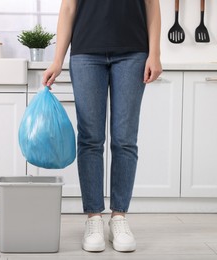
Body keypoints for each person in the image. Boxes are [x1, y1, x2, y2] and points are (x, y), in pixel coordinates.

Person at [42, 0, 162, 253]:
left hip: (133, 53)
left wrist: (155, 54)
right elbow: (68, 8)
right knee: (90, 139)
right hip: (86, 53)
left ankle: (119, 217)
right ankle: (94, 218)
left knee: (125, 139)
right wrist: (57, 60)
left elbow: (152, 4)